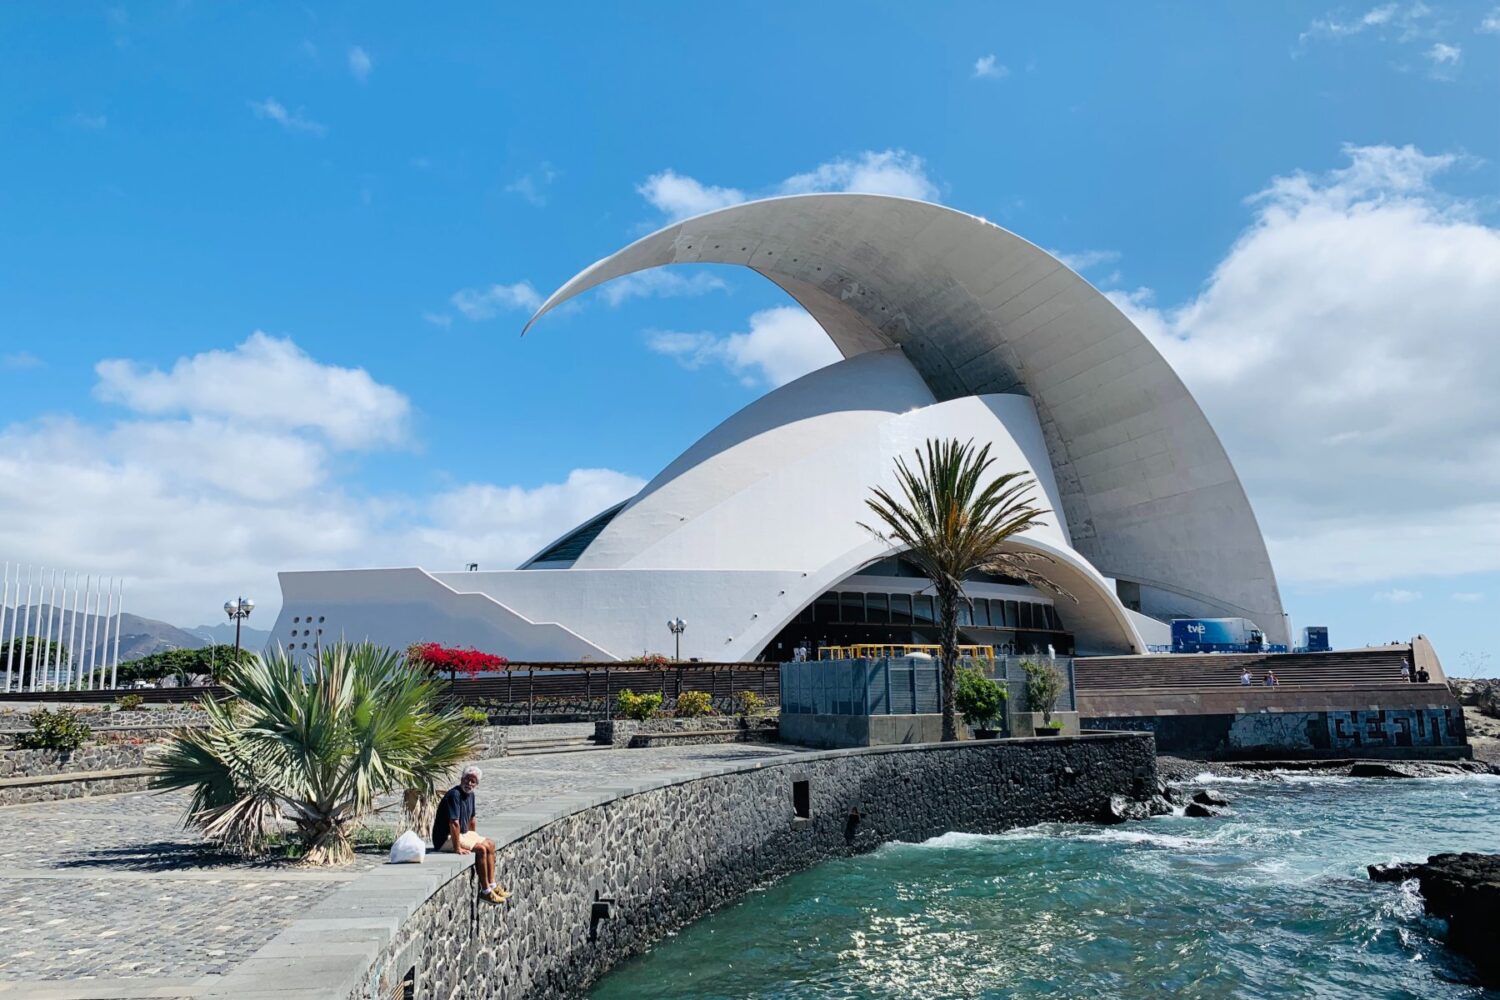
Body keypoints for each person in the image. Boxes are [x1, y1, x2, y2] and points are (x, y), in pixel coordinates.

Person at [433, 765, 508, 904]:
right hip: (445, 838)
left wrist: (474, 836)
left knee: (490, 844)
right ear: (461, 779)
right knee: (480, 849)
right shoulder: (454, 795)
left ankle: (492, 886)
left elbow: (472, 819)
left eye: (473, 781)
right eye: (467, 779)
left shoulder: (471, 795)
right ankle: (485, 891)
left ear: (477, 784)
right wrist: (457, 848)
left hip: (462, 833)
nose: (469, 783)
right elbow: (454, 823)